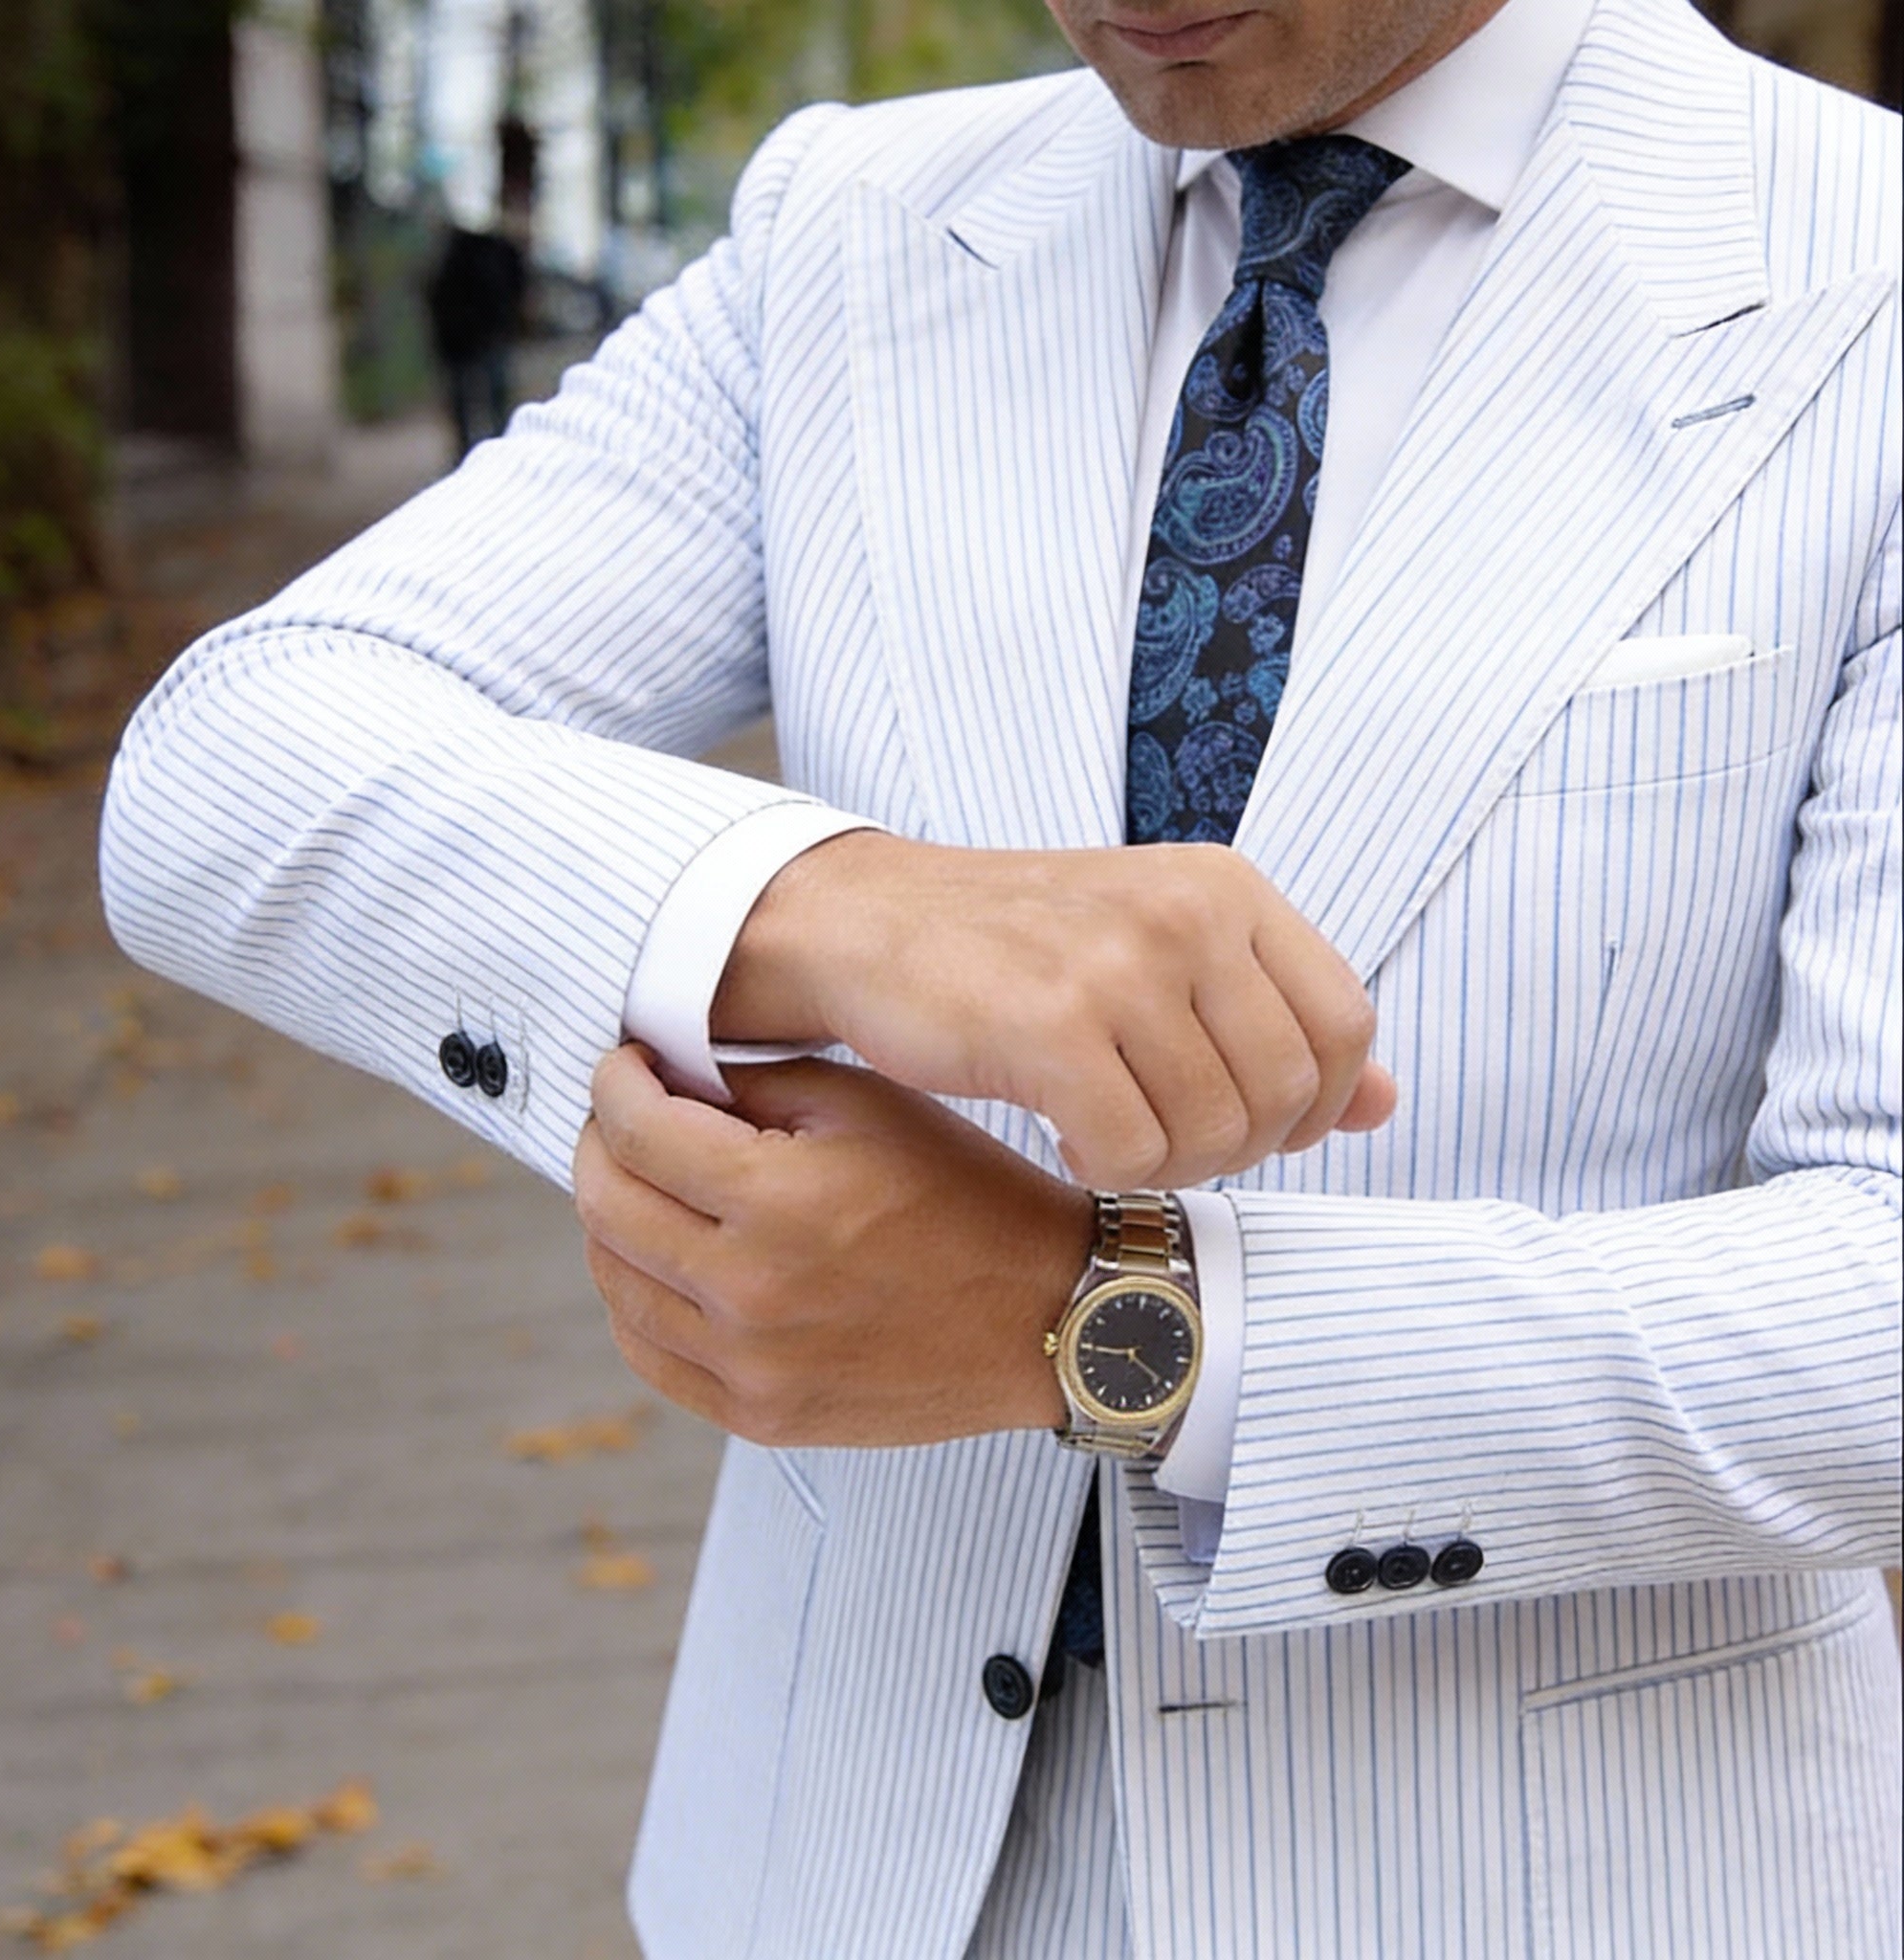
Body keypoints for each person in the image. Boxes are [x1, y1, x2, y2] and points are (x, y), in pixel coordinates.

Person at [100, 0, 1900, 1952]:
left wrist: (1094, 1323)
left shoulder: (1855, 273)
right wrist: (834, 905)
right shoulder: (857, 229)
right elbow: (229, 758)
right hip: (833, 1863)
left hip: (1560, 1879)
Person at [427, 218, 526, 461]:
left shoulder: (453, 259)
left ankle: (477, 453)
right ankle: (494, 451)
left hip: (470, 340)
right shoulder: (492, 255)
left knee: (477, 401)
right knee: (491, 399)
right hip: (478, 338)